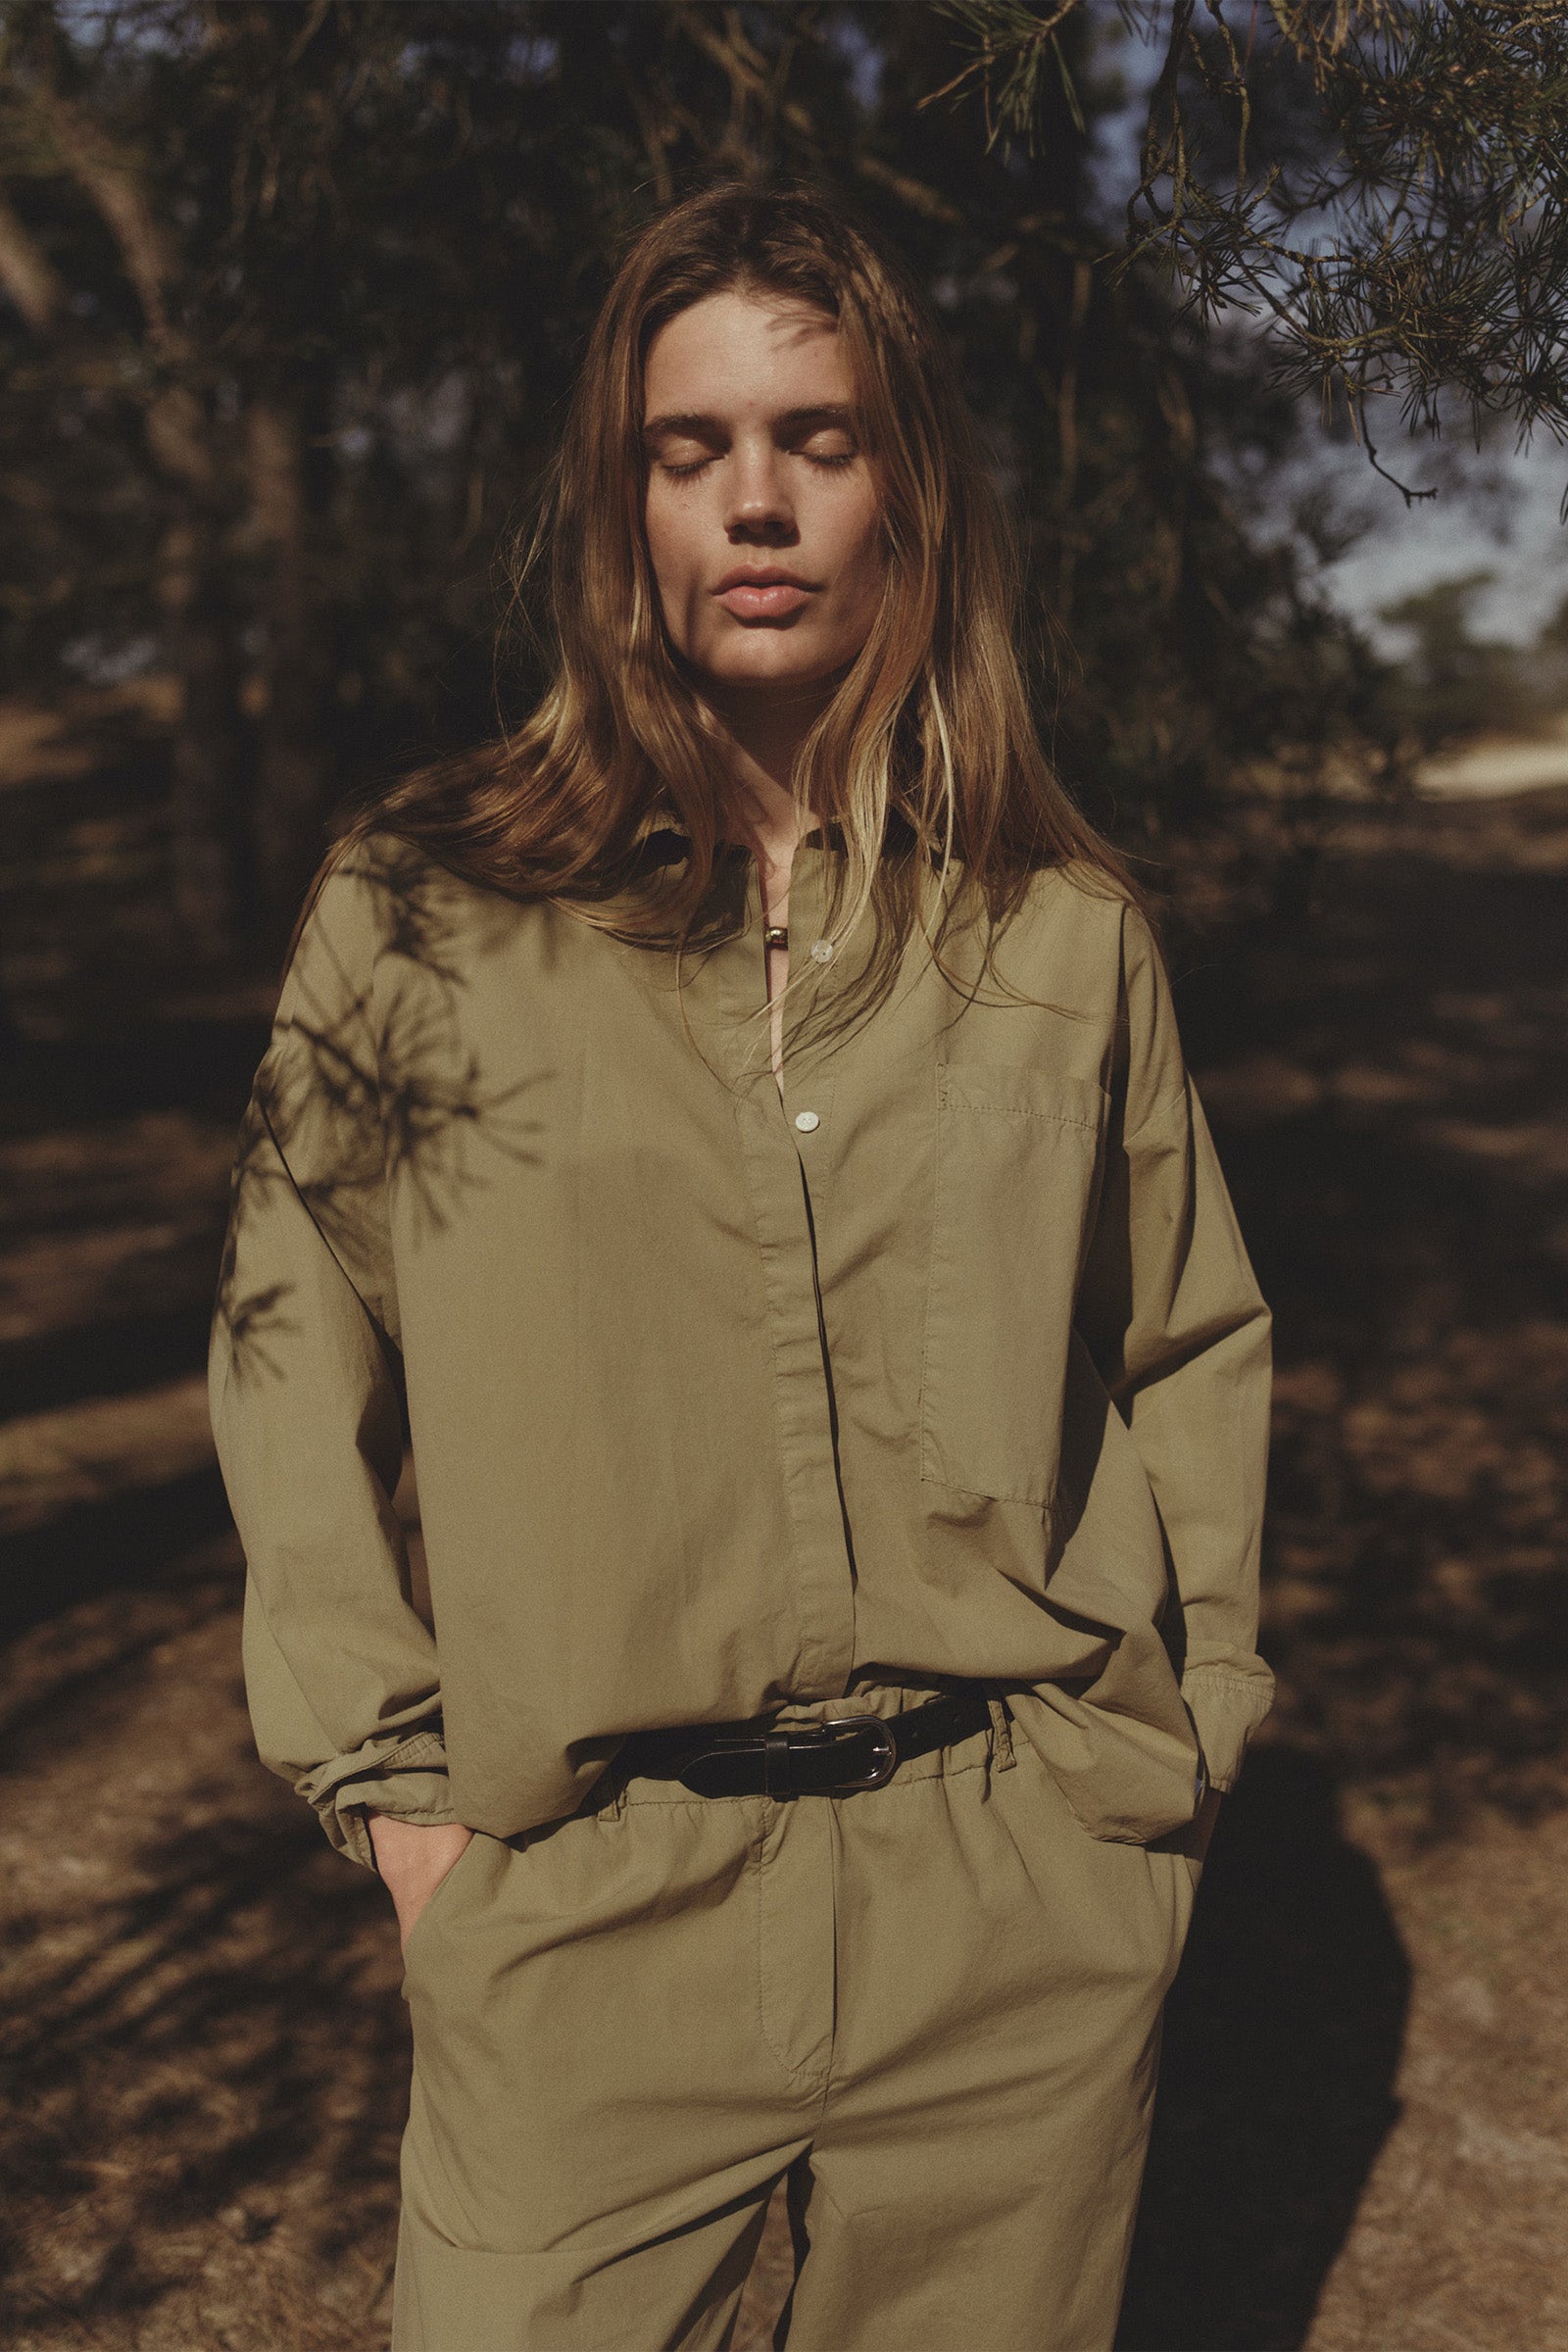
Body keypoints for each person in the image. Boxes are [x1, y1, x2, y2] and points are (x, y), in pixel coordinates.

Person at [209, 178, 1273, 2352]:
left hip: (1014, 1901)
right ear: (619, 511)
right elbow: (285, 1345)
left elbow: (1187, 1340)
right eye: (686, 451)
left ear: (906, 495)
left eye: (818, 439)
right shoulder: (419, 911)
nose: (755, 502)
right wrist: (395, 1797)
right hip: (587, 1901)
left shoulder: (1059, 933)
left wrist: (1174, 1761)